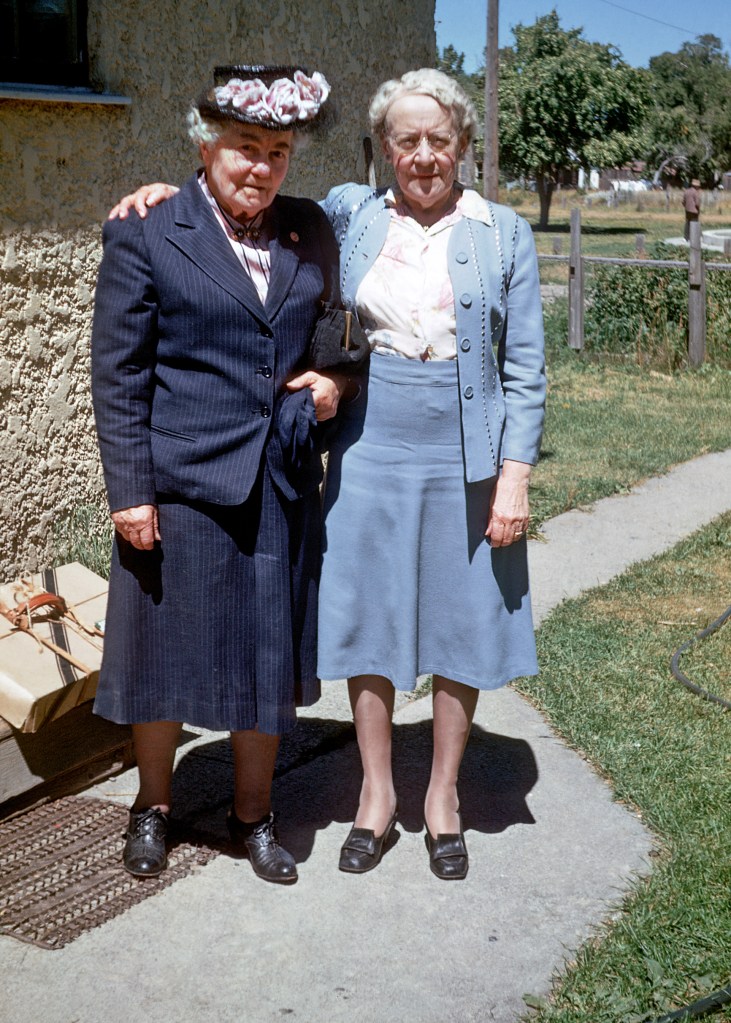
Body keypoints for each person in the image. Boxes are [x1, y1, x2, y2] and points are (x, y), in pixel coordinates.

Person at [110, 67, 546, 882]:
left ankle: (435, 798)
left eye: (439, 139)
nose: (423, 155)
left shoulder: (488, 230)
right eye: (405, 140)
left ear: (462, 145)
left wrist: (512, 472)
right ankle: (370, 795)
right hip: (354, 444)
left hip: (450, 448)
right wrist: (161, 195)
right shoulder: (348, 214)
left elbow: (522, 366)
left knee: (449, 620)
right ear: (382, 150)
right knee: (361, 620)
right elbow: (223, 209)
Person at [92, 64, 346, 885]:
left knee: (264, 658)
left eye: (277, 150)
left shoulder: (310, 229)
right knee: (159, 659)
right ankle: (153, 807)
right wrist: (130, 489)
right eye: (244, 147)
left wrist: (335, 381)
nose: (261, 167)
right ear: (206, 146)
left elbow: (331, 340)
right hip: (175, 483)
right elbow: (118, 373)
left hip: (273, 481)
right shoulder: (147, 228)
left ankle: (252, 814)